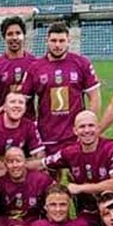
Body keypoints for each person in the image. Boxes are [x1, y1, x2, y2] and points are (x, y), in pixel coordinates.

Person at [31, 110, 113, 226]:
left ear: (98, 128)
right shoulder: (70, 152)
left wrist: (80, 188)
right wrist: (16, 164)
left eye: (91, 125)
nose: (87, 130)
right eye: (82, 126)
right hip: (88, 212)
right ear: (75, 130)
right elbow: (42, 163)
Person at [26, 22, 102, 154]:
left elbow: (94, 97)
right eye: (53, 41)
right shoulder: (35, 67)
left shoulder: (81, 63)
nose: (57, 45)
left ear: (68, 41)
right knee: (47, 168)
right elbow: (23, 101)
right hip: (46, 137)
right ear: (46, 41)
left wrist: (88, 127)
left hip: (75, 137)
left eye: (61, 41)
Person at [0, 16, 35, 112]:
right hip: (3, 119)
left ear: (24, 35)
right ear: (4, 37)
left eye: (18, 33)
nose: (14, 37)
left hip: (28, 119)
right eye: (10, 34)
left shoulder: (34, 64)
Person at [0, 91, 44, 171]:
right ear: (4, 107)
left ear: (25, 108)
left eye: (21, 103)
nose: (17, 105)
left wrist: (17, 166)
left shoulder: (29, 125)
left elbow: (39, 155)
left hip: (16, 169)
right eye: (12, 102)